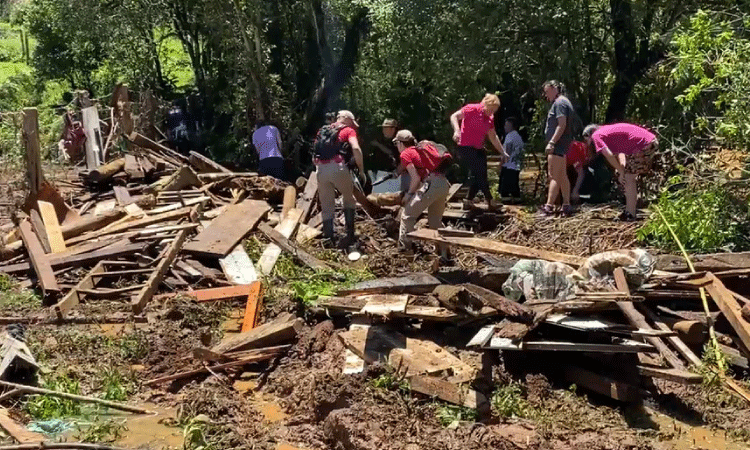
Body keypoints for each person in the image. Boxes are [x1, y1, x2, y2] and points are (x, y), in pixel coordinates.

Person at [394, 130, 452, 261]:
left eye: (397, 143)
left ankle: (405, 251)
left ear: (400, 143)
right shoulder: (419, 151)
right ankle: (444, 252)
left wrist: (409, 195)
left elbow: (415, 178)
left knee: (407, 216)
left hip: (431, 184)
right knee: (435, 221)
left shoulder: (406, 153)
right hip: (443, 183)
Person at [582, 123, 658, 221]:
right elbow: (621, 153)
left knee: (629, 178)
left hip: (644, 144)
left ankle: (630, 214)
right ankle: (629, 211)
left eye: (587, 140)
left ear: (590, 134)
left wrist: (620, 170)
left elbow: (608, 155)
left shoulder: (596, 135)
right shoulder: (607, 132)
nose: (588, 143)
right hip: (648, 142)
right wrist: (621, 170)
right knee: (628, 177)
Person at [313, 110, 366, 246]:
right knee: (349, 199)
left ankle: (328, 239)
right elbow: (356, 148)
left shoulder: (322, 130)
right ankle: (350, 235)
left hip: (321, 169)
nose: (353, 126)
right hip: (338, 167)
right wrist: (361, 170)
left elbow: (315, 150)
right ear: (347, 119)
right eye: (352, 122)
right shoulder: (348, 131)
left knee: (326, 205)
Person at [450, 93, 508, 208]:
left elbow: (493, 137)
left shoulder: (490, 118)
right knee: (479, 173)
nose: (492, 113)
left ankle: (468, 200)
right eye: (491, 110)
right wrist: (456, 130)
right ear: (486, 104)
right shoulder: (471, 109)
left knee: (480, 174)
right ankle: (490, 200)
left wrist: (502, 152)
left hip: (478, 148)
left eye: (494, 111)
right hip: (465, 147)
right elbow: (454, 116)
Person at [540, 80, 575, 216]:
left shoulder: (560, 103)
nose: (545, 95)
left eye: (547, 91)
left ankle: (548, 207)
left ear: (554, 88)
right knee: (562, 175)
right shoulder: (564, 102)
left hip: (559, 145)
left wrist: (552, 142)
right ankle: (566, 205)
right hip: (563, 144)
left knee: (554, 175)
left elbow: (561, 124)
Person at [498, 117, 524, 201]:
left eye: (507, 125)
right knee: (514, 187)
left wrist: (501, 164)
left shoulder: (510, 136)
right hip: (516, 166)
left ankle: (506, 203)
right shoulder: (518, 136)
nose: (505, 127)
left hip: (508, 166)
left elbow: (507, 152)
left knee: (504, 190)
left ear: (512, 126)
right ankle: (517, 201)